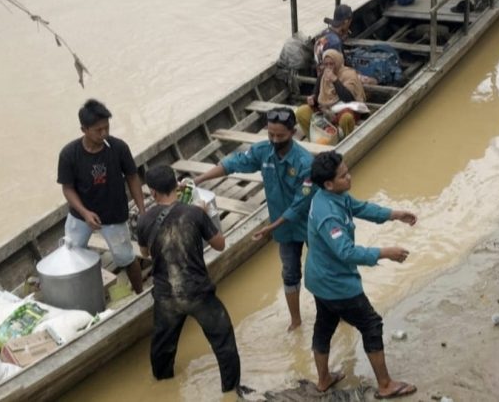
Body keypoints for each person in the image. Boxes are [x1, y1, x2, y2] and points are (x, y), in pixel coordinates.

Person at [305, 150, 417, 399]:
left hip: (319, 279)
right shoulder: (328, 215)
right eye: (344, 176)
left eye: (348, 171)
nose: (350, 177)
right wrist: (385, 252)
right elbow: (345, 252)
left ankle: (323, 380)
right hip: (336, 284)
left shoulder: (333, 196)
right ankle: (386, 384)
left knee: (324, 325)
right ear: (328, 183)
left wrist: (394, 215)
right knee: (371, 324)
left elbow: (360, 207)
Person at [193, 109, 314, 330]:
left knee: (320, 270)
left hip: (309, 223)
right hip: (284, 229)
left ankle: (334, 312)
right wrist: (198, 179)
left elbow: (300, 205)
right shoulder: (263, 151)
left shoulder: (305, 162)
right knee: (289, 272)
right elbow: (233, 164)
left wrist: (270, 228)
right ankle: (296, 320)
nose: (275, 141)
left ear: (293, 132)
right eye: (271, 135)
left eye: (281, 136)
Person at [136, 165, 242, 393]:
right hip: (197, 292)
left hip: (166, 296)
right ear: (177, 186)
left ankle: (164, 389)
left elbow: (144, 254)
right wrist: (205, 212)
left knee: (162, 349)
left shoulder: (144, 220)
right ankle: (231, 391)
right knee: (223, 342)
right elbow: (220, 244)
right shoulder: (195, 213)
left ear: (152, 192)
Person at [57, 98, 145, 294]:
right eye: (98, 130)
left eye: (107, 127)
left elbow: (132, 176)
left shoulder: (119, 148)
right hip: (81, 216)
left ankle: (140, 293)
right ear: (84, 130)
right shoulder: (69, 154)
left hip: (114, 215)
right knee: (72, 255)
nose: (104, 133)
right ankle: (78, 295)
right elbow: (68, 189)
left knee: (126, 258)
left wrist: (142, 209)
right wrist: (85, 213)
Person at [295, 49, 366, 139]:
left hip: (344, 109)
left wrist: (335, 80)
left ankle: (347, 140)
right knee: (302, 111)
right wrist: (312, 99)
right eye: (326, 64)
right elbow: (316, 96)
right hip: (326, 111)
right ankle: (314, 138)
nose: (329, 67)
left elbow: (348, 99)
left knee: (346, 117)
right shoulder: (323, 75)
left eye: (332, 64)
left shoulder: (349, 75)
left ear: (338, 62)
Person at [313, 4, 353, 69]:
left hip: (320, 72)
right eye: (350, 22)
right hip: (330, 76)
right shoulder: (335, 42)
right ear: (346, 21)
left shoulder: (323, 33)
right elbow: (340, 67)